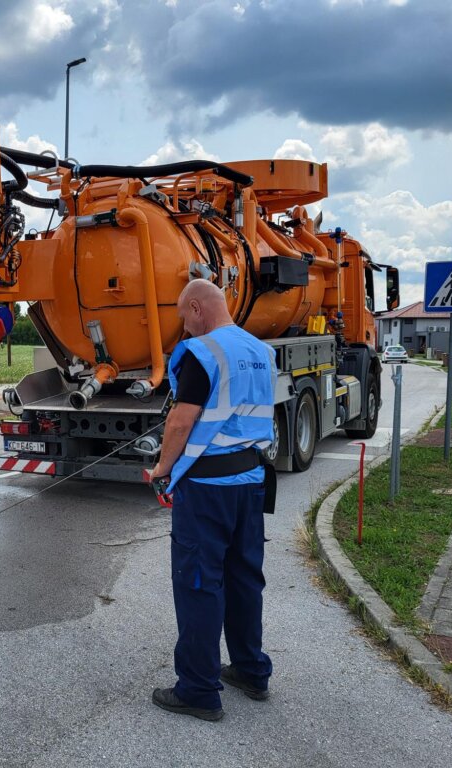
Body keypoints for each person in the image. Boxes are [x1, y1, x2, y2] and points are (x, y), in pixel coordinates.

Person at [150, 278, 276, 721]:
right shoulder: (261, 351)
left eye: (184, 317)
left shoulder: (203, 352)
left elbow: (180, 422)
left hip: (207, 490)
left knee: (199, 583)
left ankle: (198, 690)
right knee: (244, 579)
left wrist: (162, 469)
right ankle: (251, 671)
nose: (184, 328)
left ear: (197, 308)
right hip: (251, 481)